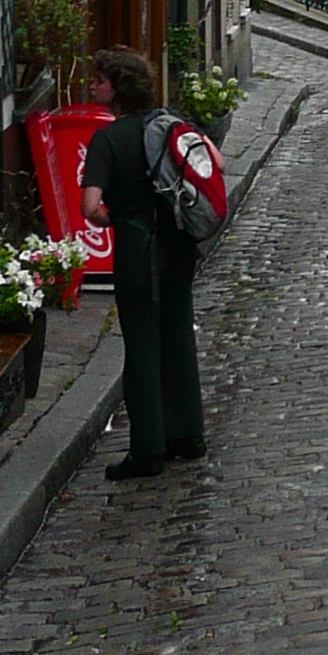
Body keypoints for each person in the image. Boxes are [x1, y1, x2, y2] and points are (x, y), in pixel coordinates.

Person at [81, 45, 206, 481]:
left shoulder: (108, 139)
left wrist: (119, 217)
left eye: (99, 79)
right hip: (178, 245)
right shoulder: (170, 124)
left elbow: (89, 206)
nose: (91, 85)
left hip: (137, 250)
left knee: (141, 346)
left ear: (117, 88)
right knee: (177, 335)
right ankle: (188, 436)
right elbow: (218, 162)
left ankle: (148, 449)